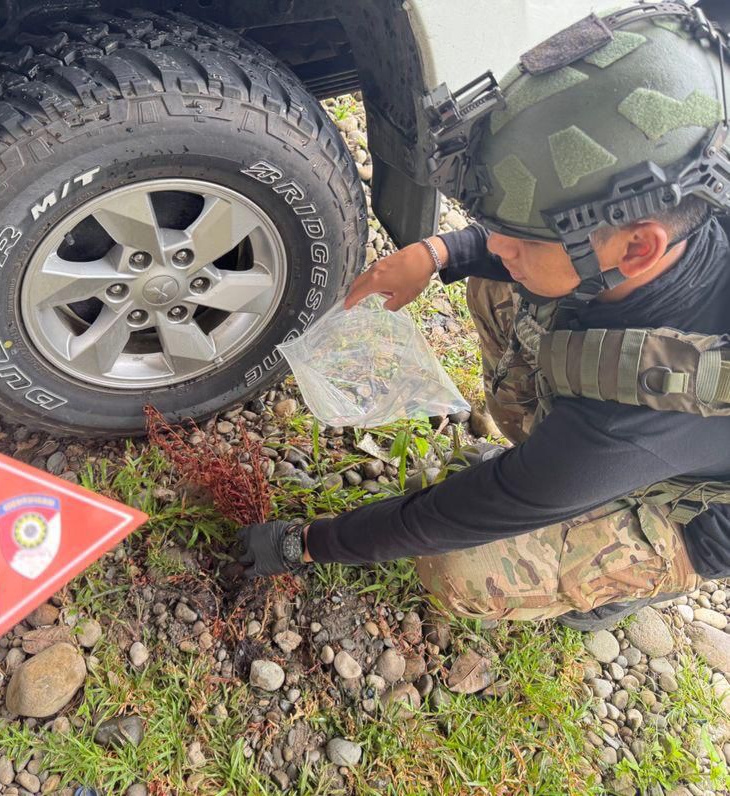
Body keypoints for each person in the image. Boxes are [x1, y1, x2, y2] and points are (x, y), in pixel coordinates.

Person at [238, 1, 730, 631]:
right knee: (498, 287)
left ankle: (631, 574)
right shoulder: (685, 178)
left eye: (520, 237)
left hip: (699, 512)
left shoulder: (635, 419)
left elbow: (461, 511)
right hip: (615, 431)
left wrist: (308, 543)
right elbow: (504, 250)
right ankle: (550, 456)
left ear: (639, 247)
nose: (495, 245)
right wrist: (440, 252)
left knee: (461, 571)